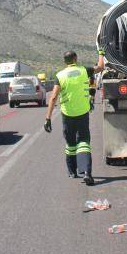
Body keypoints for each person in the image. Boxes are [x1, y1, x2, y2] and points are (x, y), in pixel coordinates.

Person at [44, 49, 105, 185]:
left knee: (70, 142)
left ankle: (72, 171)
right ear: (76, 59)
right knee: (83, 141)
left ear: (65, 62)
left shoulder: (60, 75)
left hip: (67, 114)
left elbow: (53, 97)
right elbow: (101, 67)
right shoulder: (85, 70)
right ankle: (87, 172)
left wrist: (48, 118)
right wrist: (101, 52)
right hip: (82, 112)